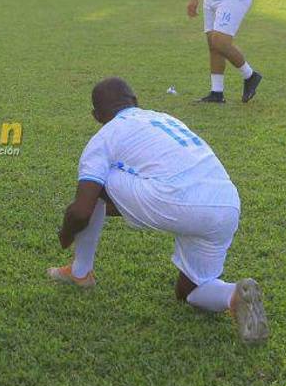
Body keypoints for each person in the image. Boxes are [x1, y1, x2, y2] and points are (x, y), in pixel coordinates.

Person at [48, 78, 269, 344]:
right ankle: (233, 296)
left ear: (96, 116)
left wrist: (66, 233)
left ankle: (80, 271)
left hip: (177, 201)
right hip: (227, 203)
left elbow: (81, 212)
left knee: (96, 183)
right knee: (189, 292)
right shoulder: (164, 118)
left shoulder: (104, 137)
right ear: (136, 100)